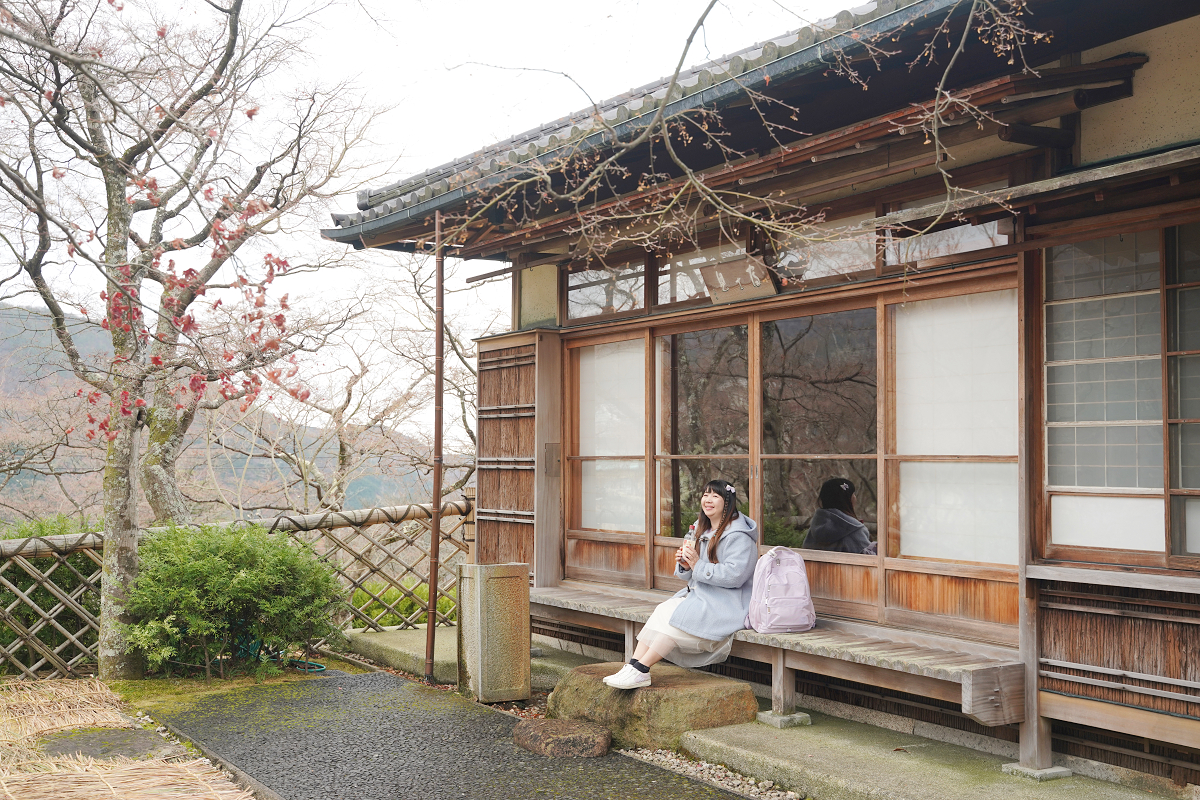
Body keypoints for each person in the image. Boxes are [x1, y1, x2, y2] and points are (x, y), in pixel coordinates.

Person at [603, 479, 758, 690]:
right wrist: (686, 565)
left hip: (728, 603)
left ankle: (642, 669)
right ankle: (631, 667)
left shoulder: (739, 536)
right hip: (704, 596)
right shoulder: (702, 530)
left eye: (715, 496)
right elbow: (691, 576)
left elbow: (735, 576)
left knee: (675, 622)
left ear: (727, 502)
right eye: (705, 495)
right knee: (662, 611)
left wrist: (697, 564)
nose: (708, 500)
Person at [802, 477, 877, 555]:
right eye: (853, 494)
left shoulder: (816, 528)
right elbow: (869, 560)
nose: (855, 498)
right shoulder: (853, 529)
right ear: (847, 499)